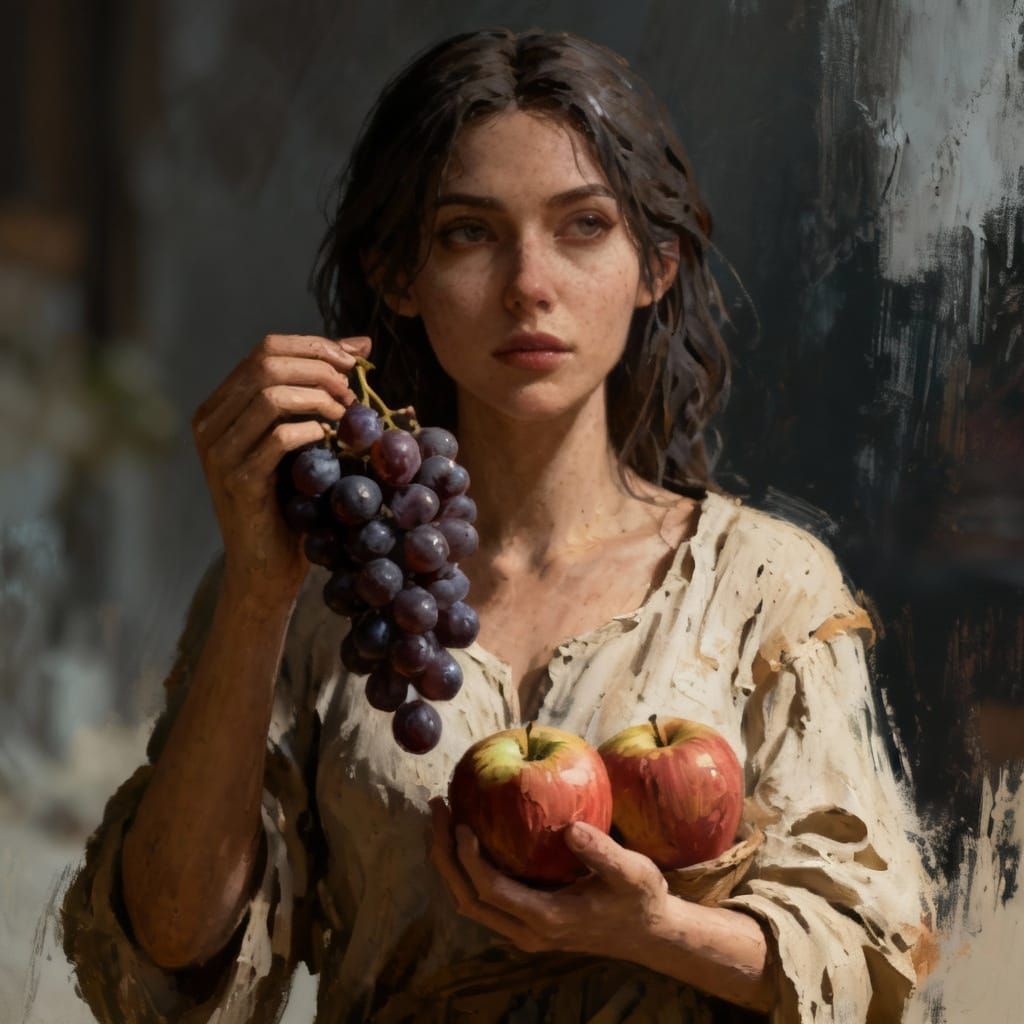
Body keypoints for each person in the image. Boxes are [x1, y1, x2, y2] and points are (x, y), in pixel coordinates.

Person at [61, 27, 932, 1024]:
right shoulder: (326, 585)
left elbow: (874, 960)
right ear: (399, 276)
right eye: (468, 233)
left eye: (583, 225)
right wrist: (259, 597)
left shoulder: (765, 584)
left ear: (655, 266)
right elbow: (170, 948)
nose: (529, 285)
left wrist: (655, 930)